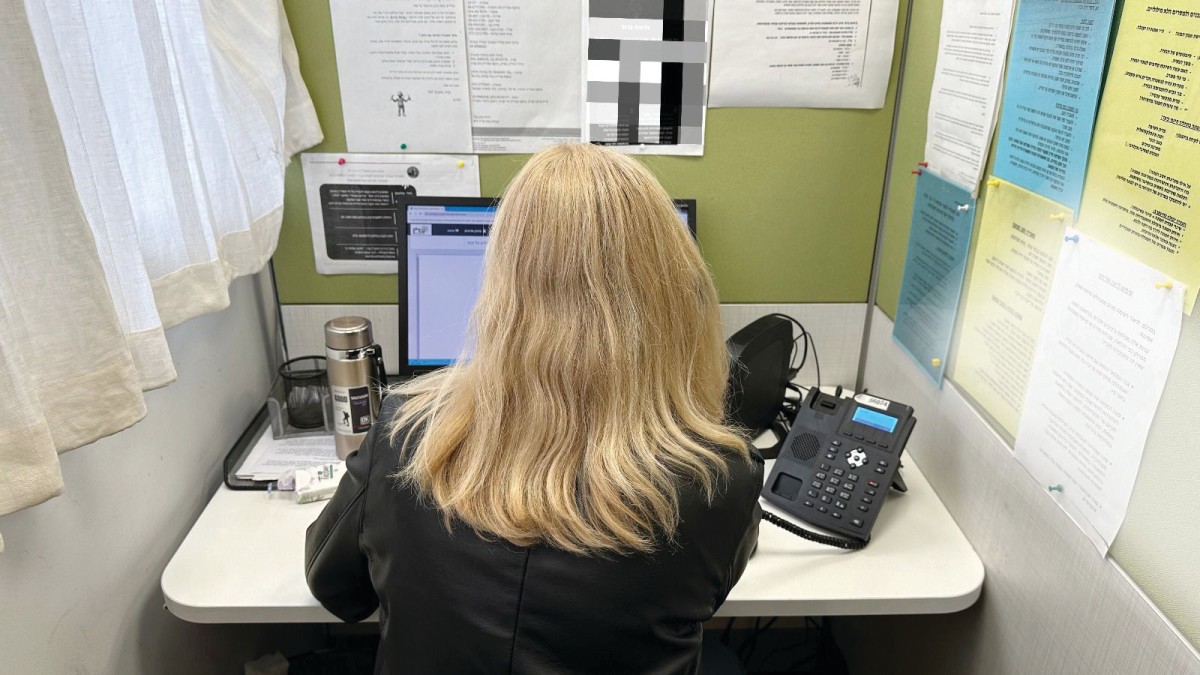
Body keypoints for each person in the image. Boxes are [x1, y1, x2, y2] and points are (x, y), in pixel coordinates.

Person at [306, 143, 763, 674]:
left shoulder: (404, 434)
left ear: (502, 288)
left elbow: (336, 590)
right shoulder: (717, 480)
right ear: (674, 291)